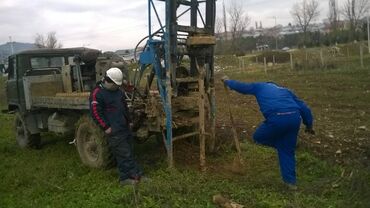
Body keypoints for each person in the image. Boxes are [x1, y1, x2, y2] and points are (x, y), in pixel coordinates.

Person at [222, 76, 315, 190]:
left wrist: (228, 81)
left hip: (277, 118)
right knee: (287, 151)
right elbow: (304, 108)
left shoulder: (260, 86)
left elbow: (243, 87)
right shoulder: (286, 91)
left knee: (258, 137)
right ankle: (291, 183)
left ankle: (280, 145)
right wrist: (309, 125)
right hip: (295, 118)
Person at [89, 67, 143, 186]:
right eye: (115, 85)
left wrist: (128, 121)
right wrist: (106, 127)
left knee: (129, 151)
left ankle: (136, 174)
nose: (117, 87)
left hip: (124, 126)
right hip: (114, 129)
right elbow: (95, 113)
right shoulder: (97, 93)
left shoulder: (117, 91)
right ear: (108, 81)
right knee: (123, 153)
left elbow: (124, 107)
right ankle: (126, 178)